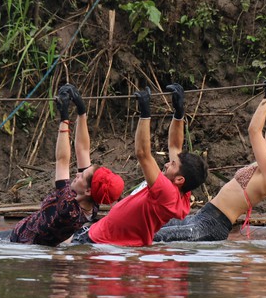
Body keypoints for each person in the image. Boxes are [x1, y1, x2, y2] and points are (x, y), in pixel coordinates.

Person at [154, 76, 266, 242]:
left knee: (152, 237)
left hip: (212, 225)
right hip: (201, 217)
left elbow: (254, 130)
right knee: (147, 225)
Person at [0, 84, 124, 246]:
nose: (78, 174)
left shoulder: (67, 206)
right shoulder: (92, 204)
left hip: (19, 243)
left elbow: (62, 161)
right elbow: (83, 150)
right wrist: (81, 112)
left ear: (87, 190)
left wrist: (64, 119)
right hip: (24, 233)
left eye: (82, 176)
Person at [72, 83, 208, 246]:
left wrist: (145, 114)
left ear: (180, 179)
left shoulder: (167, 193)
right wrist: (179, 114)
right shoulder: (182, 192)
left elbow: (143, 154)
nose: (166, 164)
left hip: (98, 242)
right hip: (97, 234)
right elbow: (175, 147)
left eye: (172, 164)